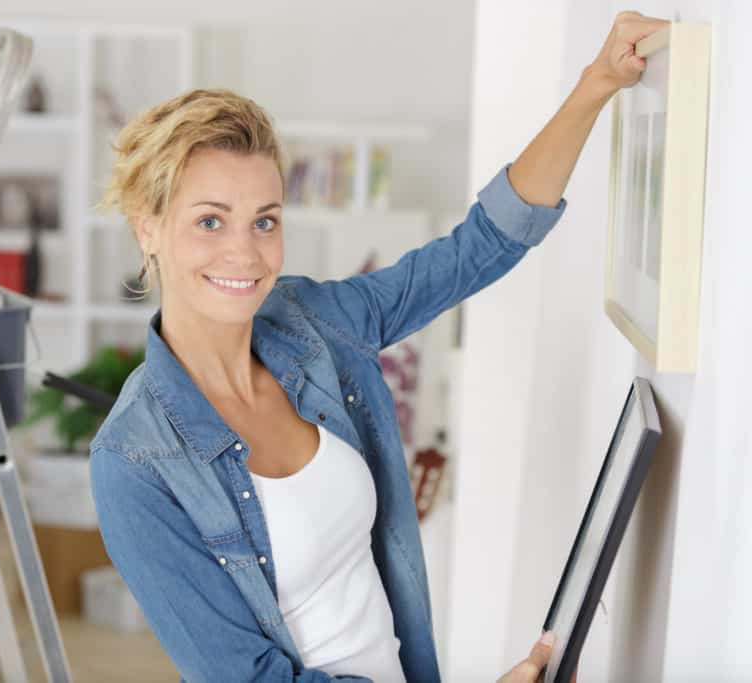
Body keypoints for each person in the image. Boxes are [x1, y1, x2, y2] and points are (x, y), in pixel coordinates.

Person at [89, 11, 668, 682]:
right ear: (148, 228)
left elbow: (479, 248)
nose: (244, 252)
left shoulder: (314, 324)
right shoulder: (134, 461)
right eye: (210, 220)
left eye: (265, 220)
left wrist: (595, 85)